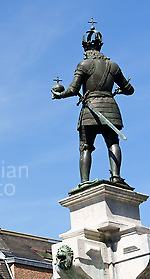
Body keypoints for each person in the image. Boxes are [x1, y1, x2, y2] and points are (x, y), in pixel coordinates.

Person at [52, 20, 134, 187]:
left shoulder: (84, 64)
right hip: (111, 108)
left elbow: (73, 89)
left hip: (90, 110)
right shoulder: (113, 66)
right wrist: (119, 90)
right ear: (100, 46)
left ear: (86, 48)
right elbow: (129, 89)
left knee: (85, 147)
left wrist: (59, 95)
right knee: (113, 143)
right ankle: (116, 177)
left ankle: (84, 182)